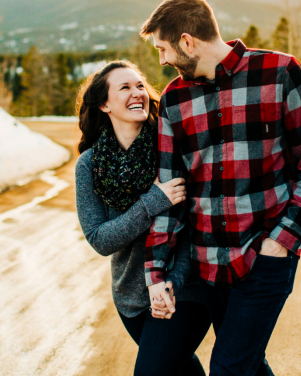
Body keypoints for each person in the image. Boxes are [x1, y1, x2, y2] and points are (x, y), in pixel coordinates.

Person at [141, 0, 301, 376]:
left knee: (229, 368)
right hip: (209, 264)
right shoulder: (175, 100)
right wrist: (156, 272)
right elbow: (170, 190)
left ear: (187, 41)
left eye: (163, 49)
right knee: (247, 365)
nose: (161, 61)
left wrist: (280, 242)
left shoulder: (280, 73)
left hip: (265, 260)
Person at [74, 60, 211, 376]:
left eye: (139, 85)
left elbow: (196, 226)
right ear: (105, 104)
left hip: (183, 290)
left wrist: (171, 281)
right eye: (124, 87)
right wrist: (153, 201)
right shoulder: (90, 165)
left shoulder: (173, 148)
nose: (137, 93)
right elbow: (100, 238)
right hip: (131, 299)